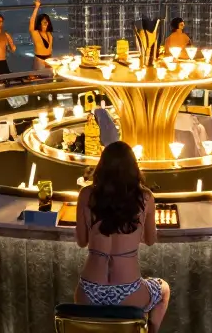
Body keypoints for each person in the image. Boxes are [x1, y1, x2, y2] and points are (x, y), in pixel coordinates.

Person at [75, 141, 170, 332]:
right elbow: (151, 241)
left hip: (89, 291)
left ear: (101, 167)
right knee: (164, 289)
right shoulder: (146, 198)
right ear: (134, 168)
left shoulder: (85, 195)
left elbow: (82, 242)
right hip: (129, 291)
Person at [30, 0, 54, 69]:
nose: (46, 22)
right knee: (40, 78)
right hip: (39, 59)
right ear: (39, 22)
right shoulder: (36, 33)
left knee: (50, 78)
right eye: (43, 20)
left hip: (49, 59)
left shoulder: (49, 33)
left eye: (47, 20)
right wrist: (37, 7)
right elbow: (32, 22)